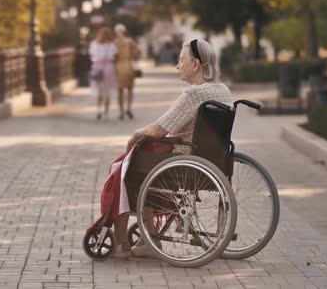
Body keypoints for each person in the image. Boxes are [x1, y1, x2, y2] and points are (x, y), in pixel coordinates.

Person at [112, 39, 233, 259]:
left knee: (128, 166)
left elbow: (158, 130)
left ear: (195, 64)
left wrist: (134, 136)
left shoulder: (193, 95)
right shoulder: (223, 91)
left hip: (186, 163)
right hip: (214, 163)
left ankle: (126, 241)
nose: (177, 65)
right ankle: (148, 235)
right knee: (146, 160)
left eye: (181, 60)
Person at [89, 27, 118, 120]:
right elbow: (113, 56)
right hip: (108, 67)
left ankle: (98, 110)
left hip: (97, 66)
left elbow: (91, 54)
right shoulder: (111, 45)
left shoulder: (94, 44)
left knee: (99, 91)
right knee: (107, 91)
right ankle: (106, 112)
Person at [114, 24, 140, 120]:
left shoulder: (114, 42)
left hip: (118, 66)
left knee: (120, 90)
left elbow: (113, 56)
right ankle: (128, 108)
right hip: (129, 65)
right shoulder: (129, 41)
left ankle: (121, 111)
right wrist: (132, 54)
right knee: (130, 89)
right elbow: (138, 51)